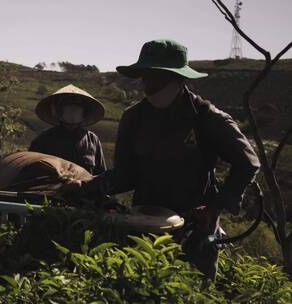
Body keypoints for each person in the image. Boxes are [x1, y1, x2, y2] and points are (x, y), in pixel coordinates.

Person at [69, 39, 261, 278]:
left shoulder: (206, 117)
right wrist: (88, 186)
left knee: (193, 290)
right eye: (144, 74)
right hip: (145, 226)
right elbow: (125, 174)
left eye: (155, 74)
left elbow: (248, 162)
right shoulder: (134, 118)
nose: (147, 82)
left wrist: (214, 208)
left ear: (177, 77)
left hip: (195, 230)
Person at [29, 84, 107, 175]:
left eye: (77, 107)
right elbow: (31, 172)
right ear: (58, 111)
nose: (73, 111)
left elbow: (100, 174)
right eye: (68, 106)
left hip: (85, 189)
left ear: (84, 112)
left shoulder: (92, 140)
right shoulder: (43, 139)